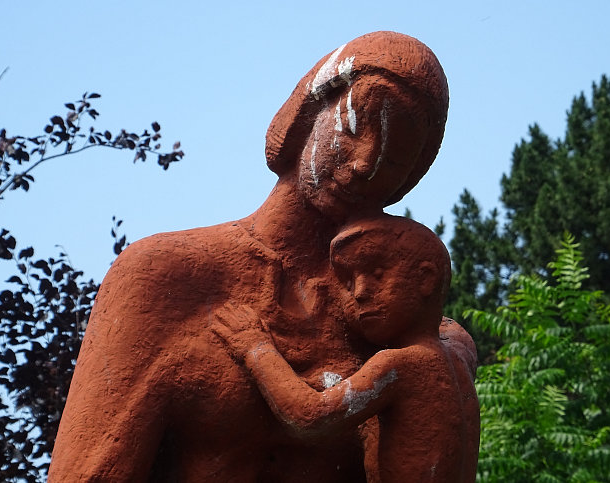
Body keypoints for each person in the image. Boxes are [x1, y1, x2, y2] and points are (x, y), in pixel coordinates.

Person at [49, 31, 471, 482]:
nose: (367, 163)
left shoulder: (399, 327)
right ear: (308, 114)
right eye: (353, 128)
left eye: (395, 157)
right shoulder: (166, 276)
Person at [212, 215, 479, 482]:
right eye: (349, 283)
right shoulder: (459, 354)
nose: (359, 293)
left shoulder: (402, 365)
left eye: (377, 275)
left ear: (425, 279)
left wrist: (256, 348)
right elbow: (450, 328)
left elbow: (310, 416)